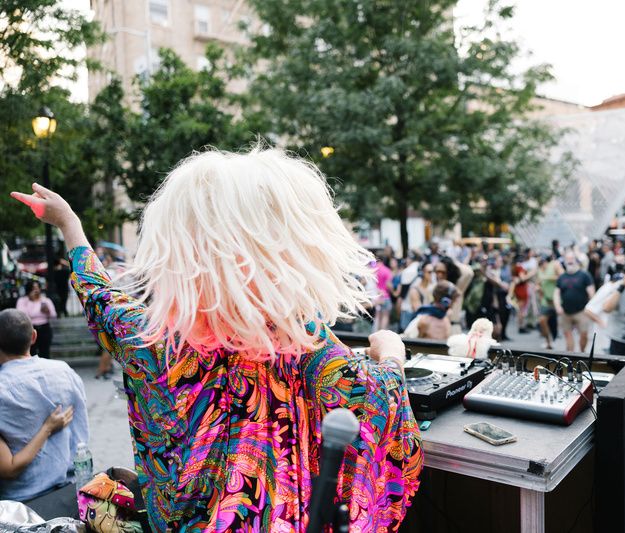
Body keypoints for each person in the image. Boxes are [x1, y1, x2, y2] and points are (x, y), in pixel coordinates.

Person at [12, 147, 423, 531]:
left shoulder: (154, 339)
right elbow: (372, 395)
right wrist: (390, 350)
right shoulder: (296, 337)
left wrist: (70, 224)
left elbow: (100, 298)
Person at [0, 308, 89, 501]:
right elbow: (80, 430)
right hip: (70, 488)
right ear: (33, 337)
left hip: (22, 500)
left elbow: (7, 470)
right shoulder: (64, 371)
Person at [554, 252, 595, 352]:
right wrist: (558, 306)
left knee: (584, 335)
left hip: (581, 311)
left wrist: (591, 308)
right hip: (566, 312)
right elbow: (556, 293)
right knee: (568, 335)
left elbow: (591, 293)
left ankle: (582, 353)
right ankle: (571, 356)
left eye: (572, 258)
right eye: (567, 259)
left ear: (576, 260)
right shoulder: (562, 277)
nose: (570, 260)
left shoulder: (584, 275)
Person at [15, 280, 56, 358]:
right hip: (29, 328)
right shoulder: (23, 301)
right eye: (33, 288)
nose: (36, 290)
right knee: (31, 353)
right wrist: (31, 301)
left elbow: (54, 315)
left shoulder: (45, 300)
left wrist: (48, 311)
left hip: (44, 328)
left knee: (45, 353)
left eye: (37, 288)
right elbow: (22, 315)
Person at [536, 254, 563, 349]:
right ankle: (548, 341)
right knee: (542, 320)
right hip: (545, 300)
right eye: (540, 263)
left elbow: (562, 276)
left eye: (543, 262)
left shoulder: (554, 266)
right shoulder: (539, 271)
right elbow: (538, 283)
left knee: (556, 322)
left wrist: (547, 278)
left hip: (557, 300)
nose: (542, 265)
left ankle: (556, 338)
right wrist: (538, 288)